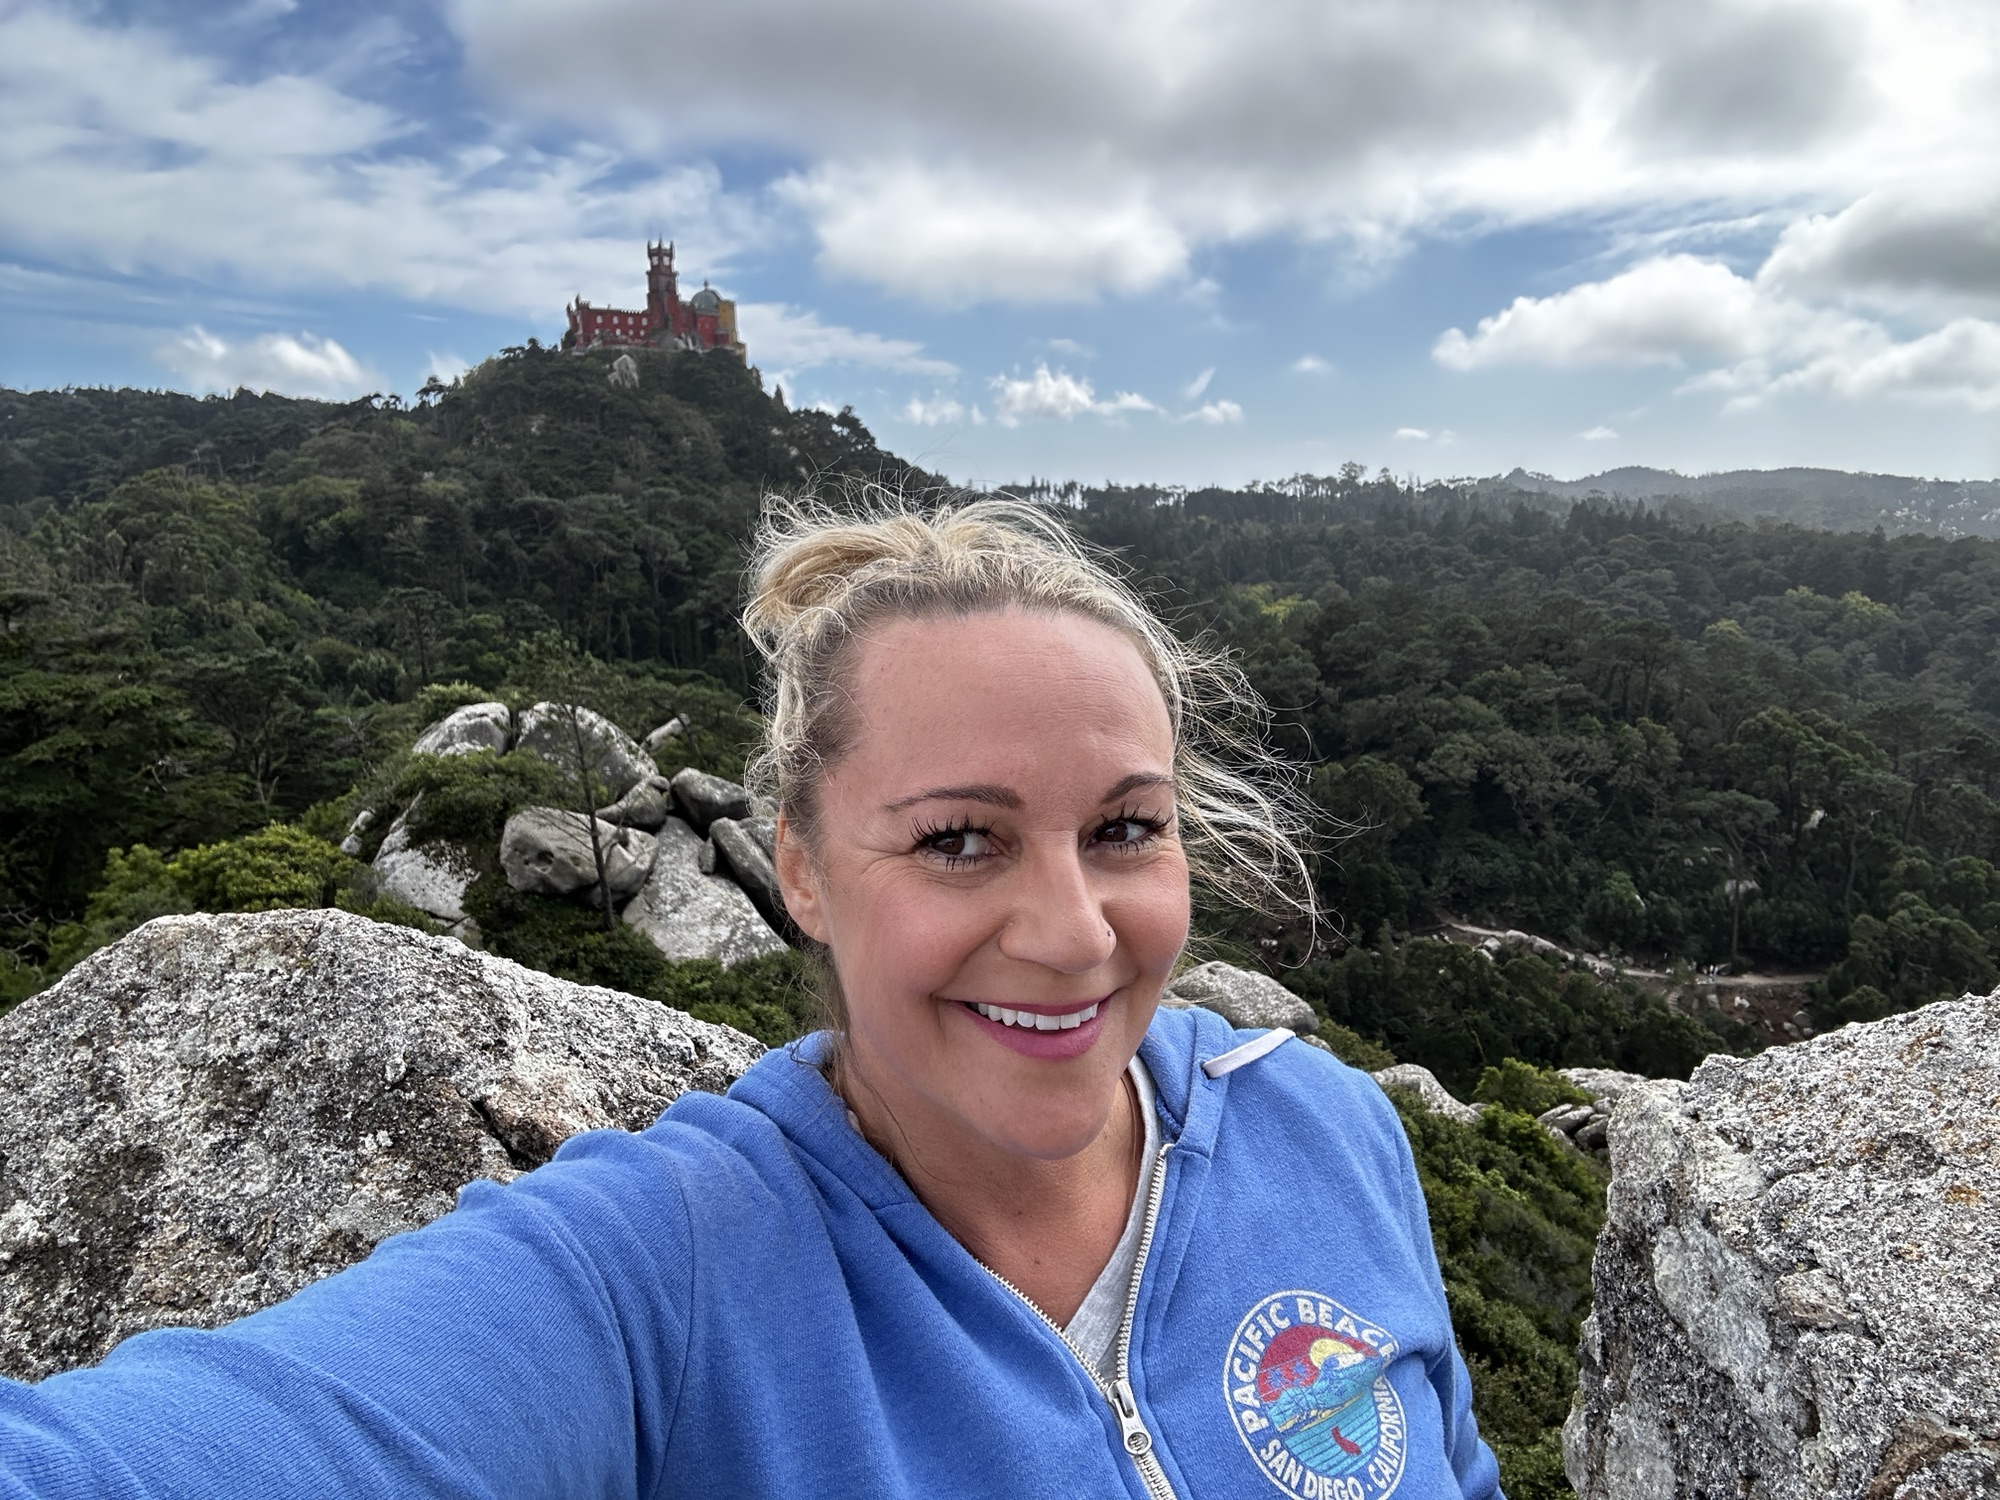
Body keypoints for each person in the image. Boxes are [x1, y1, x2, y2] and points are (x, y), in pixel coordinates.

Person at [0, 497, 1500, 1499]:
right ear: (801, 868)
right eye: (957, 840)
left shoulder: (1326, 1132)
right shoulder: (665, 1275)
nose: (1071, 933)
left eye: (1124, 828)